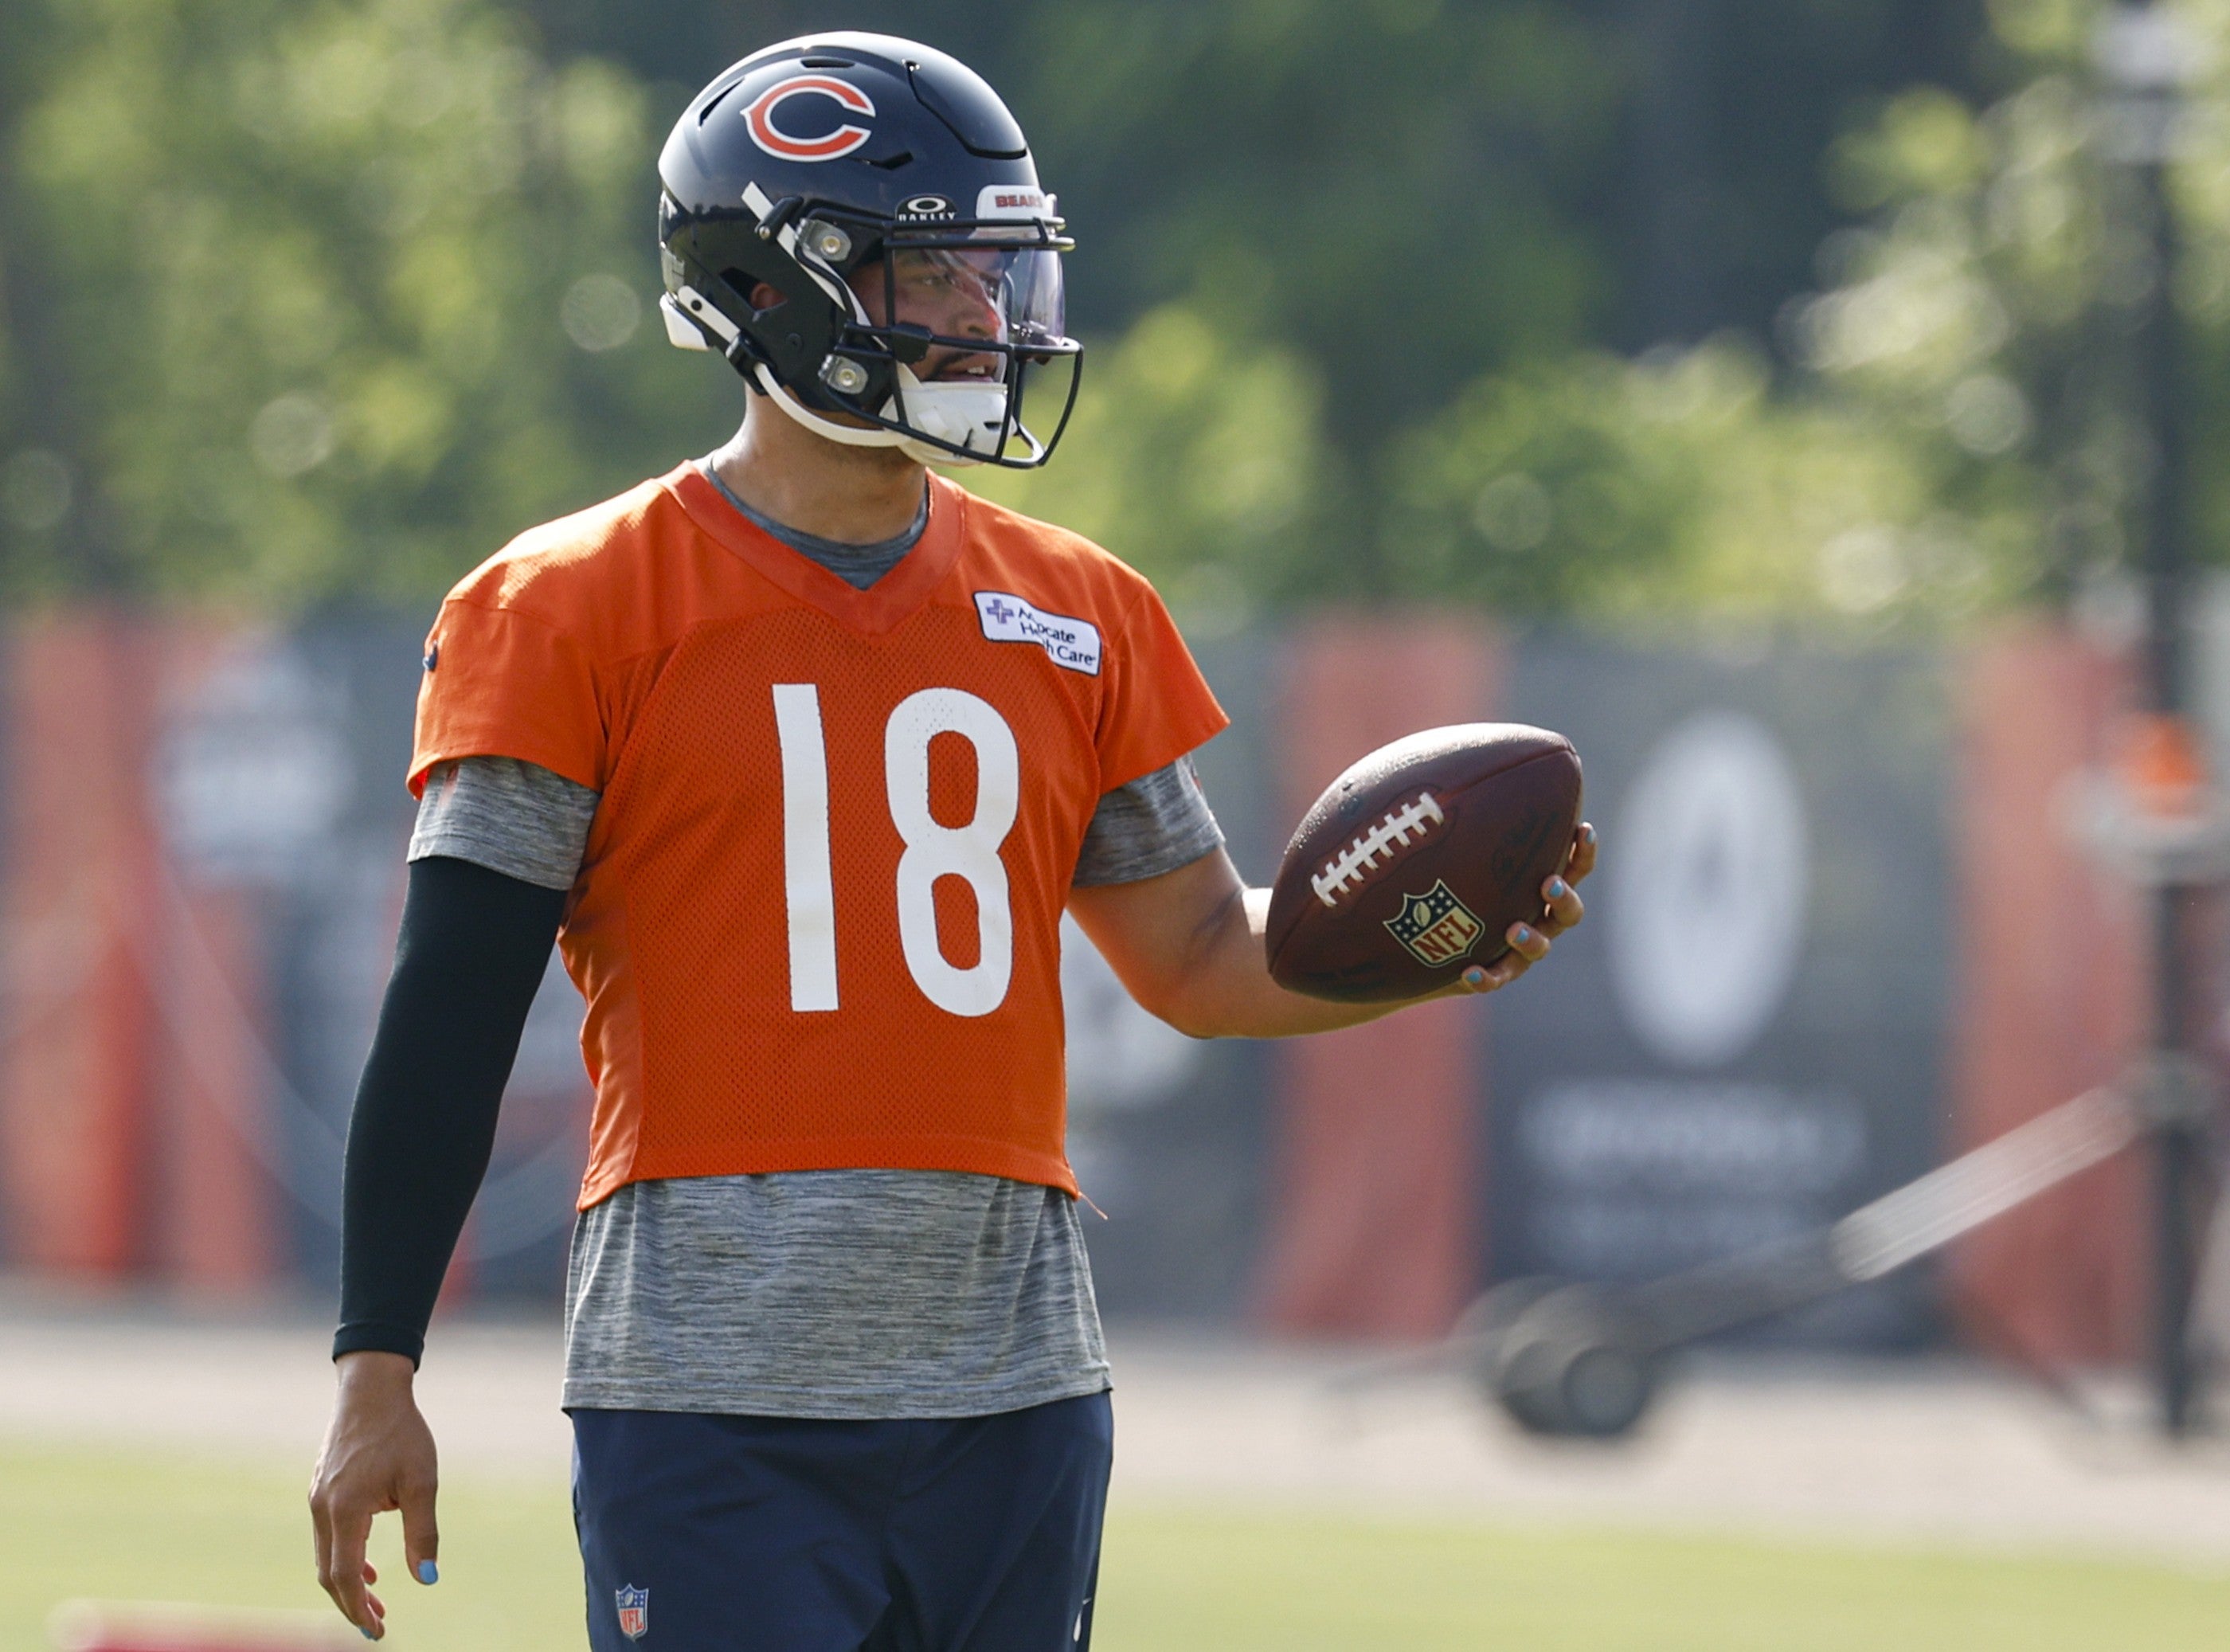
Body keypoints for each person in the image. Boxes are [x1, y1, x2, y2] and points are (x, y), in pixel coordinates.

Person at [307, 30, 1593, 1652]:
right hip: (714, 1386)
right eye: (934, 275)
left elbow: (1204, 957)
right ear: (774, 290)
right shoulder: (566, 604)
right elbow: (448, 1016)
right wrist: (376, 1367)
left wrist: (1419, 946)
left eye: (996, 276)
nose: (988, 319)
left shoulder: (1075, 604)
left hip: (1018, 1382)